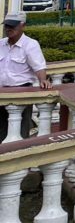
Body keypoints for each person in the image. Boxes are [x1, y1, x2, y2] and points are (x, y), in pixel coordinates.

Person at [0, 12, 52, 140]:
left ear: (22, 25)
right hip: (1, 93)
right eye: (6, 25)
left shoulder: (30, 44)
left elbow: (39, 66)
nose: (8, 29)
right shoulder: (1, 44)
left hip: (21, 93)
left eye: (12, 26)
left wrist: (43, 80)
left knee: (20, 130)